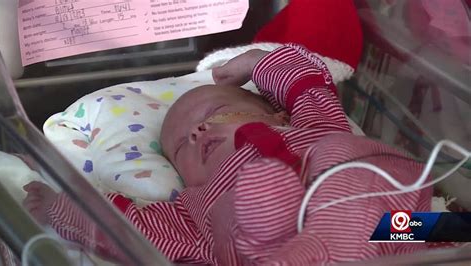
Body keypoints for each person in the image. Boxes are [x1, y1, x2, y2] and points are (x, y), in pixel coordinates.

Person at [23, 44, 433, 265]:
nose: (198, 131)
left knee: (435, 227)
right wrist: (65, 210)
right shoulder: (194, 206)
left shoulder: (310, 127)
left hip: (381, 219)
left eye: (214, 115)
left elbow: (307, 84)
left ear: (277, 114)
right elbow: (130, 231)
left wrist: (259, 63)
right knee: (239, 233)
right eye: (181, 146)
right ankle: (282, 234)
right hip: (264, 242)